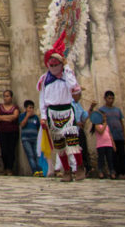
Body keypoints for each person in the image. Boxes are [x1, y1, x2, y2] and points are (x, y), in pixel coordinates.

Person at [38, 42, 83, 181]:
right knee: (59, 144)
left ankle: (80, 167)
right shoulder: (45, 79)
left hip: (67, 111)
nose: (53, 67)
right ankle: (67, 171)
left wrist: (67, 67)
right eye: (51, 65)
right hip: (53, 113)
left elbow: (73, 87)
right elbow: (43, 99)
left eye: (56, 64)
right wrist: (44, 116)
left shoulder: (67, 76)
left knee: (72, 141)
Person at [97, 90, 125, 178]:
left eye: (112, 98)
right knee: (113, 157)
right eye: (109, 98)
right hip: (109, 137)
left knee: (122, 155)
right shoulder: (102, 110)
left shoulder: (117, 110)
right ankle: (115, 173)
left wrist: (124, 135)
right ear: (105, 99)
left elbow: (121, 122)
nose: (111, 100)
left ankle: (124, 173)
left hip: (119, 135)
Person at [0, 89, 20, 175]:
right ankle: (5, 168)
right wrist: (9, 118)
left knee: (11, 150)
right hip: (3, 131)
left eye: (7, 96)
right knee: (4, 150)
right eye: (4, 96)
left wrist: (3, 117)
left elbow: (15, 116)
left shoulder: (15, 107)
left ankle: (10, 168)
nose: (6, 98)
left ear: (11, 97)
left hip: (13, 131)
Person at [89, 105, 116, 179]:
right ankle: (100, 171)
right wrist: (104, 125)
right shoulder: (97, 125)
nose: (105, 118)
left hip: (108, 144)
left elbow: (110, 135)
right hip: (101, 145)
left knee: (110, 159)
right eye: (103, 117)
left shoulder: (106, 126)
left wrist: (113, 144)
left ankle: (111, 171)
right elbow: (100, 131)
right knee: (101, 159)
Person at [19, 99, 41, 176]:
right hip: (26, 139)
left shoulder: (36, 118)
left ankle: (39, 169)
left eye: (32, 108)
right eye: (29, 108)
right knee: (30, 154)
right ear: (26, 108)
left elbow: (38, 127)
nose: (31, 110)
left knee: (36, 154)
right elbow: (22, 125)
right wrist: (27, 116)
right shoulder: (22, 116)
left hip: (35, 138)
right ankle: (34, 170)